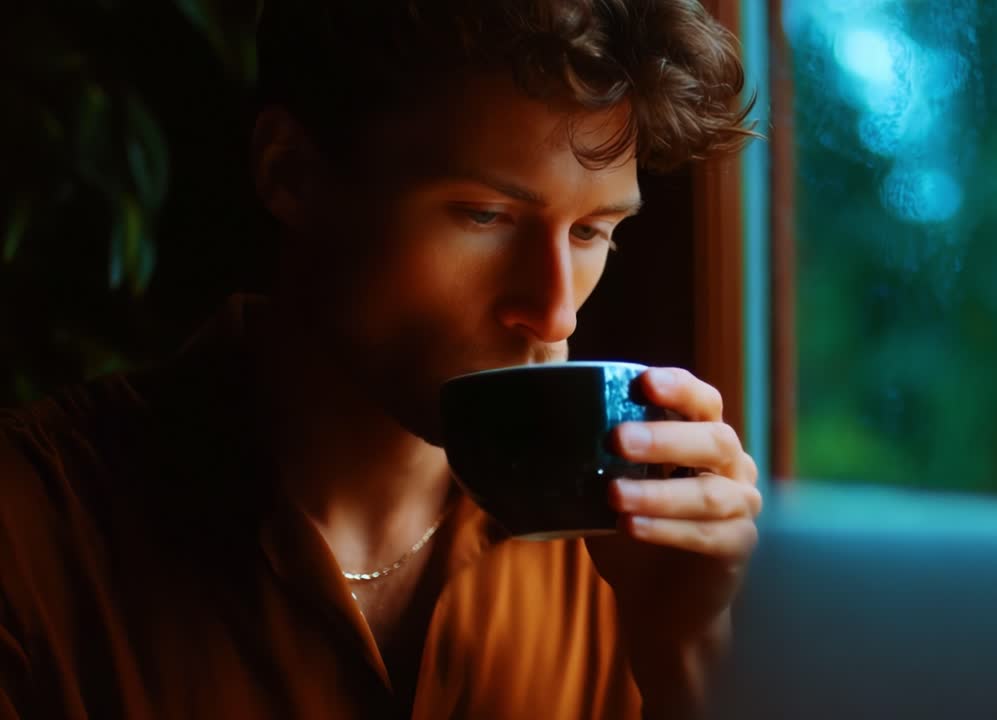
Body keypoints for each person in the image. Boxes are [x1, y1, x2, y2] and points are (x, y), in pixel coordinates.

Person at [0, 1, 762, 718]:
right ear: (290, 172)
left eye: (591, 232)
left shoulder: (622, 574)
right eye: (485, 215)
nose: (555, 312)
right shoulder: (35, 536)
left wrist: (687, 657)